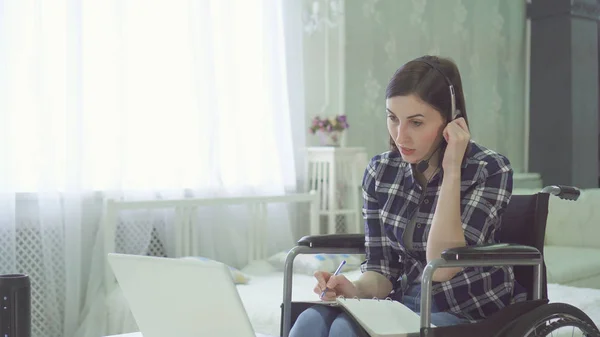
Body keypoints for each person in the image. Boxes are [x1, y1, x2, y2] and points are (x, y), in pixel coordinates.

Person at [289, 55, 527, 337]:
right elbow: (382, 269)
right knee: (310, 321)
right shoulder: (381, 171)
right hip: (404, 305)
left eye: (416, 123)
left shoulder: (488, 169)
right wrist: (355, 289)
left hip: (468, 312)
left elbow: (442, 267)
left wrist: (451, 170)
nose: (400, 137)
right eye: (393, 118)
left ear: (451, 121)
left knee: (344, 329)